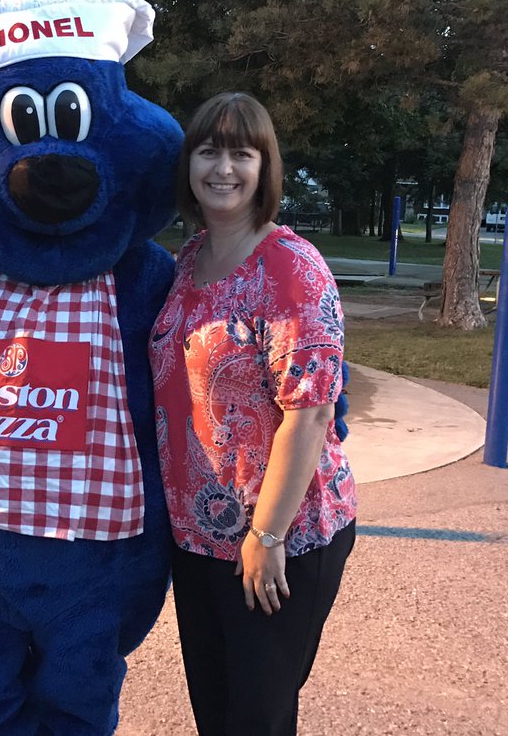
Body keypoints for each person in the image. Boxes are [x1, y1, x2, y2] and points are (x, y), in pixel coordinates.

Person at [149, 92, 357, 736]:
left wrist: (265, 538)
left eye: (242, 153)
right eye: (209, 151)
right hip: (198, 536)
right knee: (218, 714)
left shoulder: (292, 271)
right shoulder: (187, 262)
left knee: (256, 722)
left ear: (266, 168)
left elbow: (309, 416)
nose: (223, 168)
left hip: (281, 538)